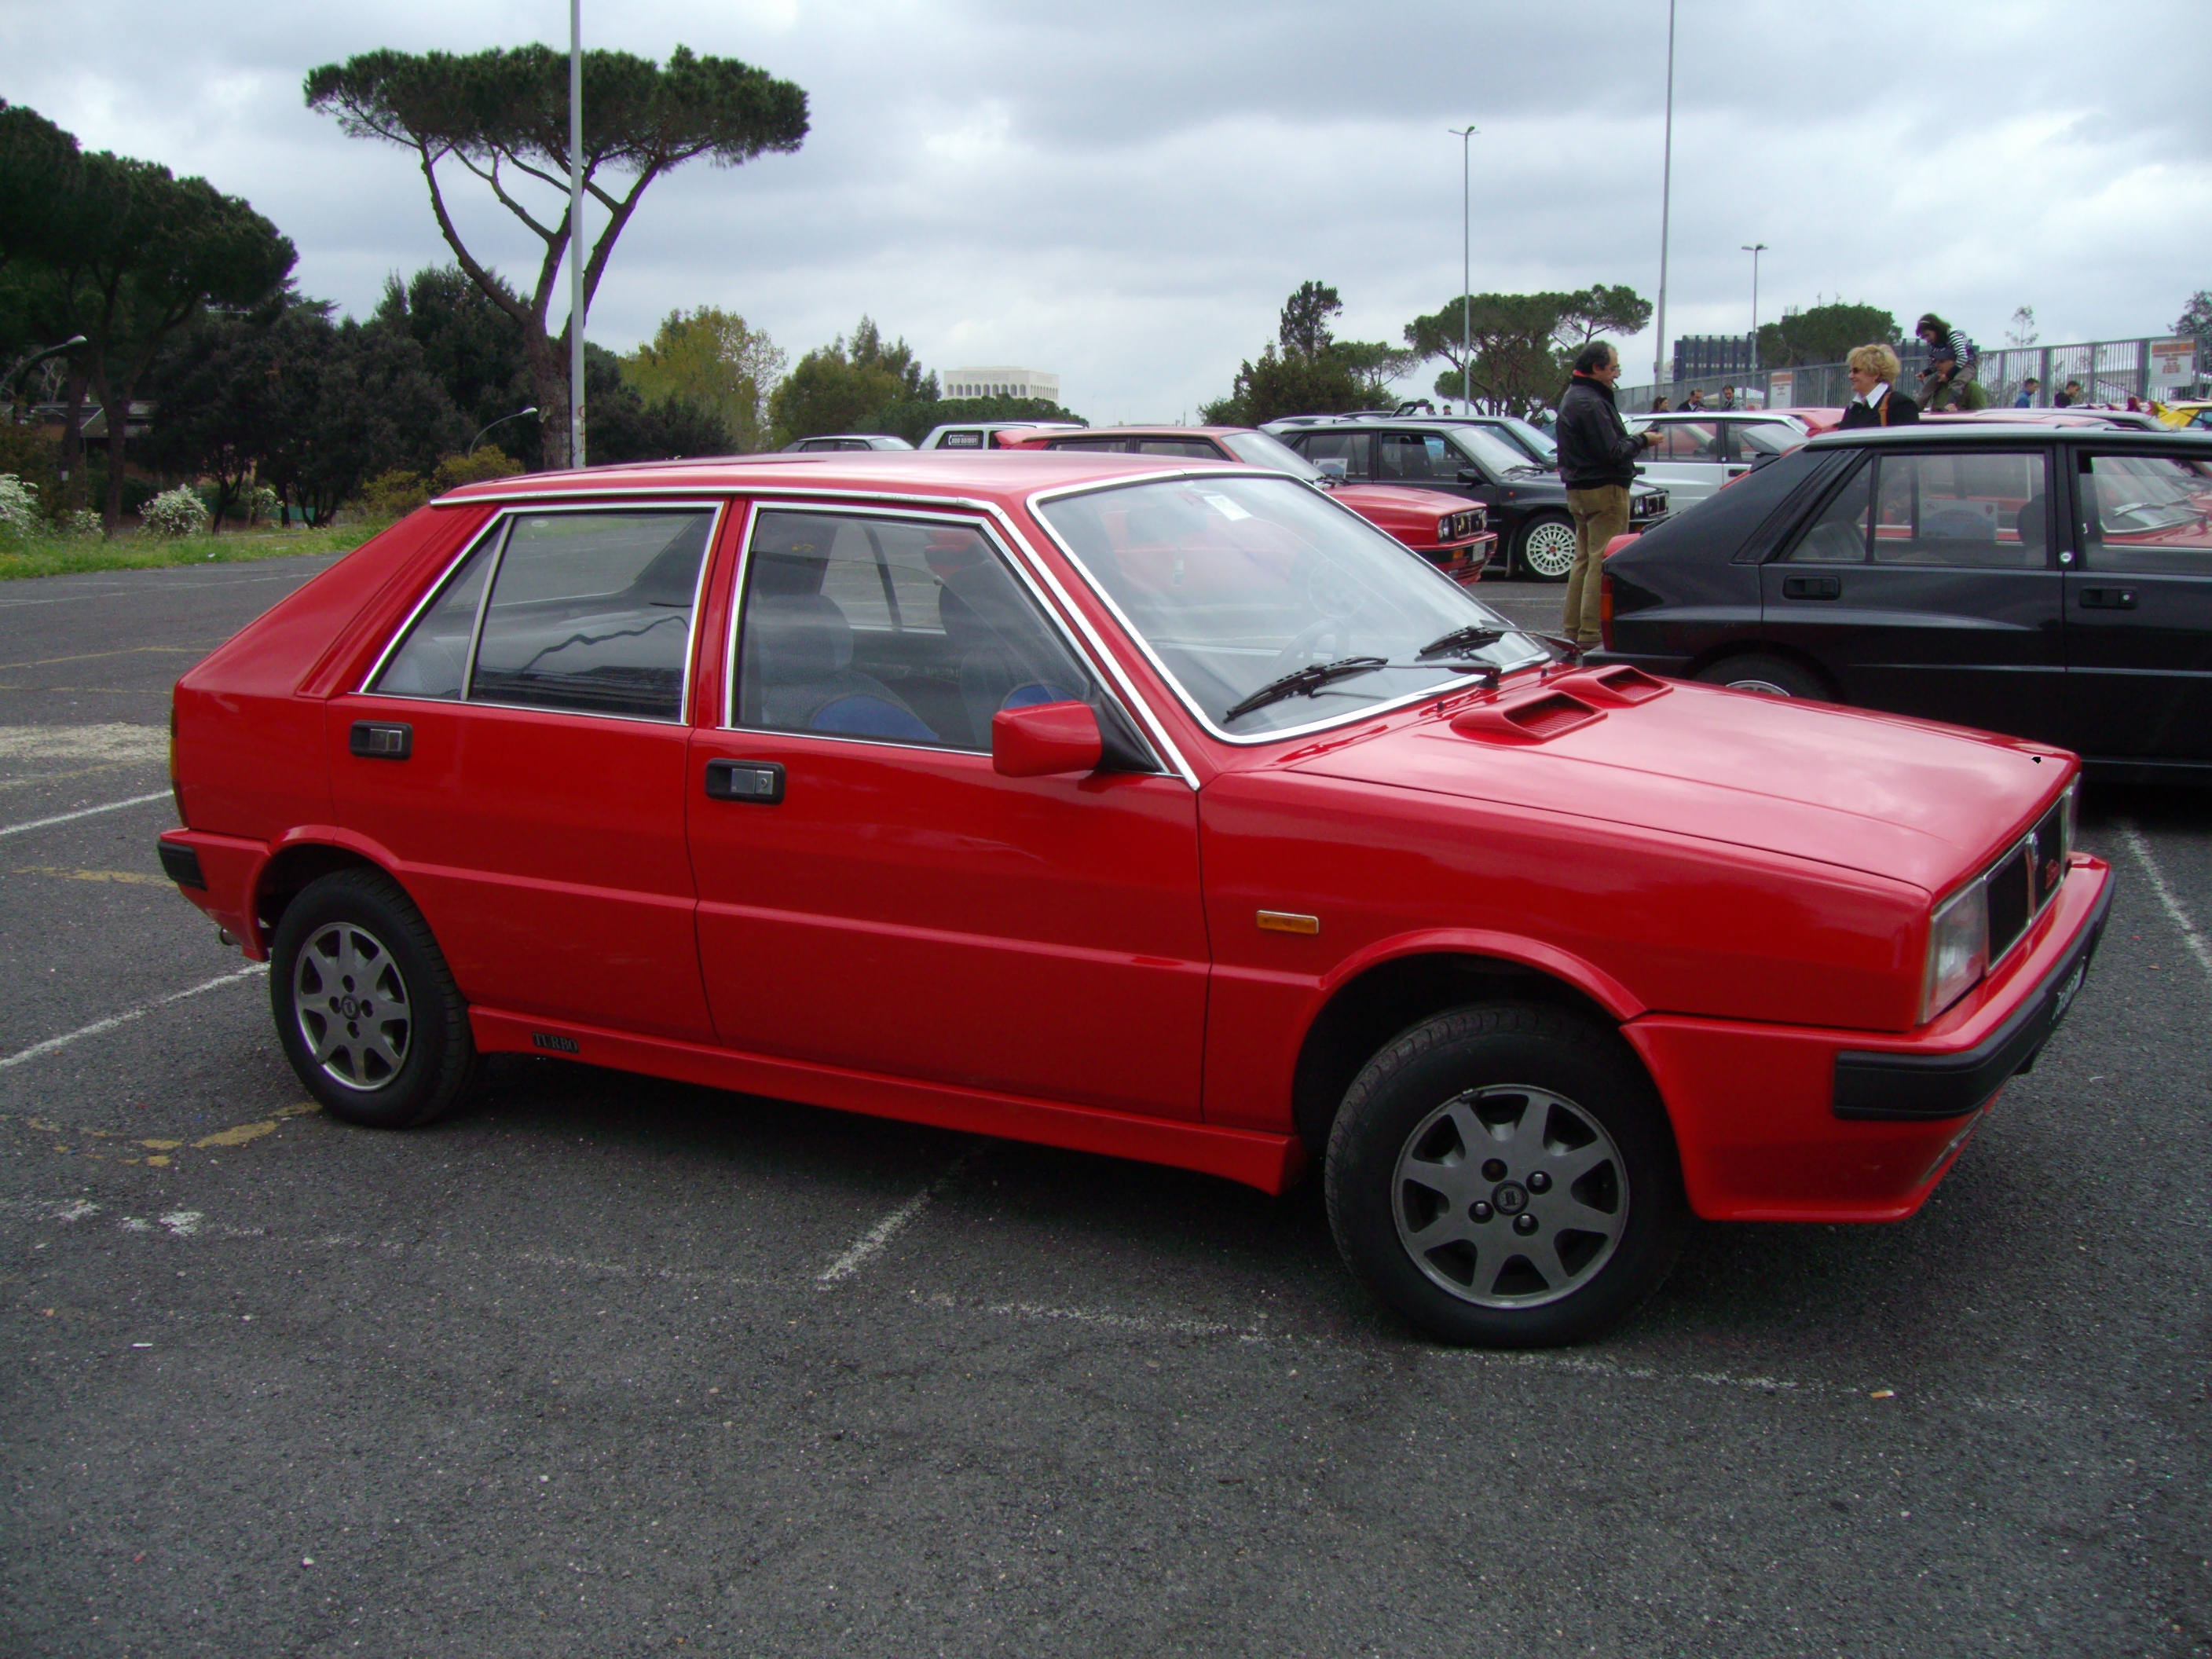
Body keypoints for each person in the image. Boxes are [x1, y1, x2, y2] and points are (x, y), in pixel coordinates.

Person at [1555, 342, 1661, 646]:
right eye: (1614, 368)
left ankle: (1572, 631)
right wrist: (1643, 439)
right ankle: (1590, 634)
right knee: (1600, 561)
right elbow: (1612, 452)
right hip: (1604, 490)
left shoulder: (1575, 397)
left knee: (1584, 561)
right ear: (1597, 368)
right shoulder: (1591, 403)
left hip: (1579, 489)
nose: (1616, 374)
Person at [1837, 342, 1919, 429]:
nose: (1850, 376)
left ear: (1875, 373)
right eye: (1850, 371)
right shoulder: (1854, 407)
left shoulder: (1900, 405)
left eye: (1856, 371)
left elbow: (1906, 441)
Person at [1915, 313, 1976, 411]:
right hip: (1949, 364)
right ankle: (1916, 407)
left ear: (1936, 330)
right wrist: (1926, 372)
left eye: (1927, 335)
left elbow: (1963, 357)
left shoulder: (1954, 336)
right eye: (1924, 338)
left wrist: (1948, 375)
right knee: (1930, 385)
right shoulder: (1936, 344)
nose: (1927, 339)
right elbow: (1936, 363)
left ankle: (1950, 404)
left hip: (1968, 363)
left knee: (1958, 381)